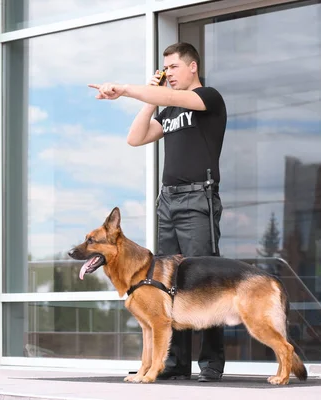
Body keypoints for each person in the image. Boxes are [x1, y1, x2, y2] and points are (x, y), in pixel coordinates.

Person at [88, 42, 227, 382]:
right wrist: (150, 95)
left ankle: (211, 362)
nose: (169, 74)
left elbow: (173, 98)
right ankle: (172, 363)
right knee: (166, 281)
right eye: (166, 69)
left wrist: (126, 89)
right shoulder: (166, 107)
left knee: (204, 277)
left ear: (192, 67)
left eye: (175, 67)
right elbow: (135, 138)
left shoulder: (208, 98)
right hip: (168, 201)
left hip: (198, 198)